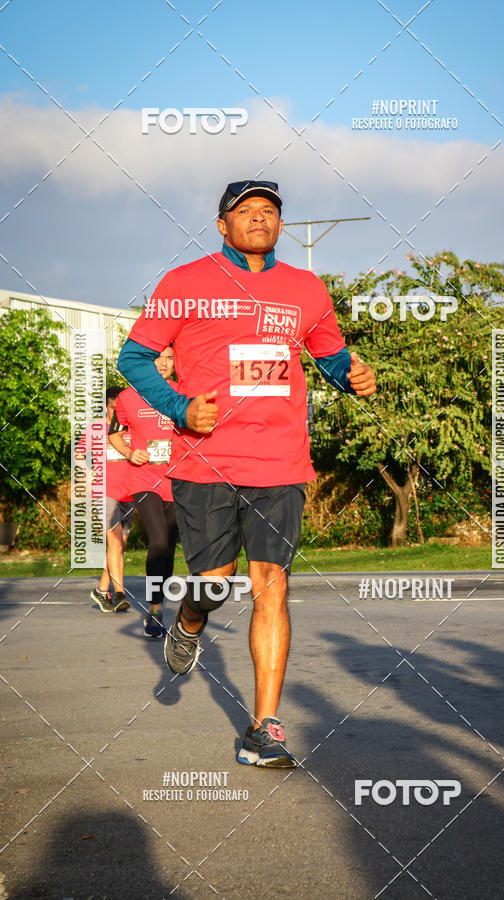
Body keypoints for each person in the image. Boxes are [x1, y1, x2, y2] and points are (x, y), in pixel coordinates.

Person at [118, 180, 376, 767]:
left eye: (270, 211)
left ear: (280, 225)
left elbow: (330, 354)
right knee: (213, 580)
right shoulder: (185, 283)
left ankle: (265, 728)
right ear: (222, 224)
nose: (260, 219)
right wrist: (181, 408)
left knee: (271, 584)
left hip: (281, 460)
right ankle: (190, 618)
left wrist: (351, 376)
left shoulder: (306, 288)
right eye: (246, 211)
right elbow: (133, 357)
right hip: (206, 460)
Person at [108, 348, 179, 637]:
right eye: (158, 357)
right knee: (159, 541)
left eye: (170, 358)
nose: (164, 363)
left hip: (178, 480)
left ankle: (159, 604)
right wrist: (129, 451)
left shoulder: (183, 392)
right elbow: (113, 433)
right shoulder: (128, 396)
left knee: (170, 547)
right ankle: (155, 607)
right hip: (144, 479)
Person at [88, 386, 135, 613]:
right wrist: (87, 475)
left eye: (120, 409)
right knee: (115, 543)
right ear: (106, 407)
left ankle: (100, 590)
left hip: (130, 494)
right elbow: (79, 456)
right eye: (113, 408)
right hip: (105, 493)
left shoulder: (132, 429)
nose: (117, 413)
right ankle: (119, 594)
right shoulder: (96, 429)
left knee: (119, 547)